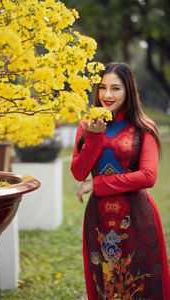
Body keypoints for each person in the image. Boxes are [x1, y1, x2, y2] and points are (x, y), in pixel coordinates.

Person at [71, 62, 170, 299]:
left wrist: (96, 184)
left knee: (140, 283)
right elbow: (77, 172)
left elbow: (148, 176)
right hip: (99, 219)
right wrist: (94, 137)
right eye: (102, 87)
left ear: (128, 90)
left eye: (115, 88)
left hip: (137, 218)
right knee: (105, 282)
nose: (107, 95)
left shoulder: (144, 128)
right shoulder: (86, 127)